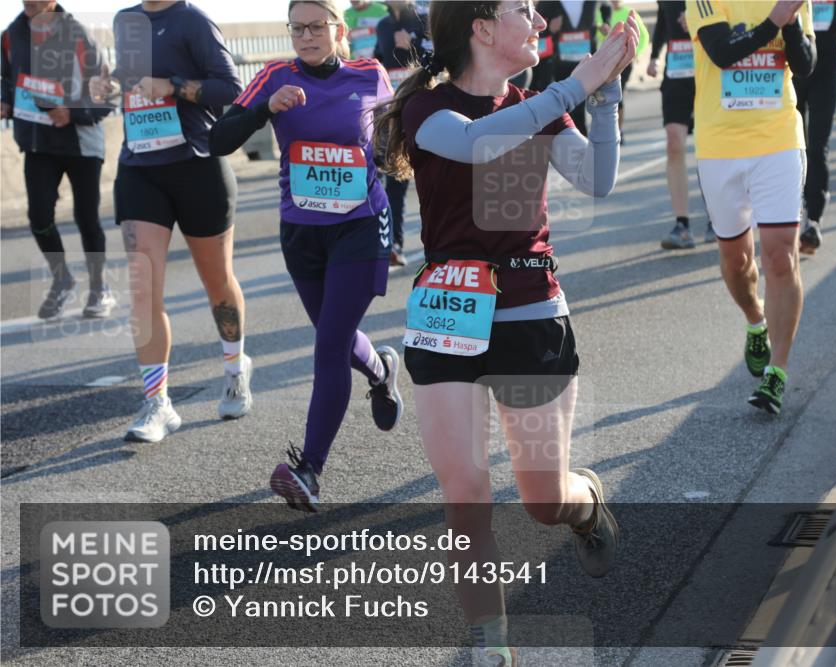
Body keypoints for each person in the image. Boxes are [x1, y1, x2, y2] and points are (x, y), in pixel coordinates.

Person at [375, 2, 638, 663]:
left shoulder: (543, 103)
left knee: (542, 498)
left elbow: (597, 179)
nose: (539, 18)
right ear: (482, 29)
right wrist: (576, 83)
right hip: (446, 318)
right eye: (523, 8)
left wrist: (600, 97)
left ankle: (584, 504)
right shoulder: (428, 109)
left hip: (528, 310)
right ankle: (492, 646)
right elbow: (477, 141)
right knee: (466, 492)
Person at [209, 0, 403, 512]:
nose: (307, 35)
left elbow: (395, 142)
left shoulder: (369, 74)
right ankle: (382, 371)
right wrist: (263, 109)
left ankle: (309, 468)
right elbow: (217, 140)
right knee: (331, 337)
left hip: (361, 228)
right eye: (298, 27)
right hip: (302, 232)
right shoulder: (274, 75)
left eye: (318, 26)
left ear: (338, 29)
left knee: (328, 346)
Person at [88, 0, 251, 442]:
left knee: (217, 281)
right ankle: (157, 402)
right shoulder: (125, 21)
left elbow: (231, 89)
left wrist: (173, 86)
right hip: (140, 167)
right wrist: (108, 87)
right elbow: (129, 78)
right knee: (143, 285)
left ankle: (235, 367)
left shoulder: (192, 21)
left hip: (197, 165)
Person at [687, 0, 816, 415]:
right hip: (720, 143)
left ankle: (777, 372)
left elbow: (806, 64)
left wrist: (791, 25)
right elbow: (721, 52)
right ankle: (755, 317)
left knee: (781, 257)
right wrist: (773, 21)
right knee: (736, 259)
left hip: (777, 138)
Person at [1, 1, 114, 320]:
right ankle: (62, 277)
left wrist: (73, 113)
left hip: (80, 142)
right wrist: (5, 101)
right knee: (38, 217)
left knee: (86, 218)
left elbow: (106, 96)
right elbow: (6, 79)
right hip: (37, 143)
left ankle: (98, 287)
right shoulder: (11, 34)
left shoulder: (79, 34)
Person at [648, 0, 714, 248]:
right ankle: (682, 225)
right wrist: (654, 57)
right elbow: (664, 20)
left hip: (709, 71)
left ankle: (716, 218)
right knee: (674, 143)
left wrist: (699, 22)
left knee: (708, 145)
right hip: (676, 72)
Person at [795, 0, 836, 254]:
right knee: (793, 145)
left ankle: (813, 220)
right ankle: (792, 213)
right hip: (793, 67)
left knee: (818, 145)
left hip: (827, 67)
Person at [375, 0, 430, 266]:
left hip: (427, 108)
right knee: (395, 179)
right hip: (394, 112)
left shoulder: (423, 18)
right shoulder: (383, 25)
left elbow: (443, 59)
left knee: (433, 180)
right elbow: (378, 62)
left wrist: (413, 48)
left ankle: (445, 241)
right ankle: (394, 243)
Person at [535, 0, 600, 135]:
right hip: (560, 66)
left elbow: (606, 7)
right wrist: (549, 29)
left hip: (586, 62)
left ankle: (582, 144)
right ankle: (578, 144)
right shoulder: (549, 3)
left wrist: (606, 22)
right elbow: (533, 28)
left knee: (581, 109)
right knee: (569, 109)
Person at [595, 0, 648, 141]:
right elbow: (600, 35)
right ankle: (608, 130)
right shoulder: (601, 12)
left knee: (619, 94)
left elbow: (644, 36)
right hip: (607, 61)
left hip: (625, 61)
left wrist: (636, 52)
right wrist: (601, 30)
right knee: (603, 96)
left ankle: (619, 130)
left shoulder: (629, 12)